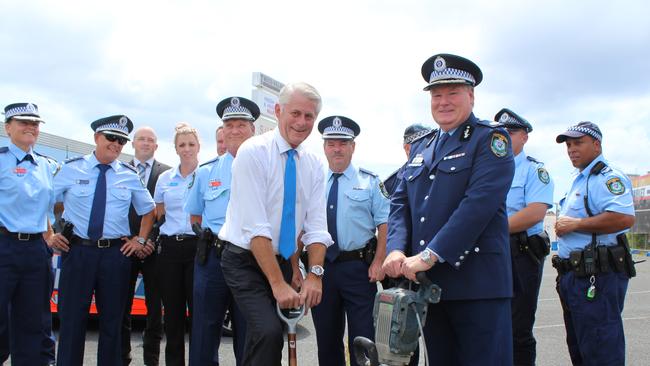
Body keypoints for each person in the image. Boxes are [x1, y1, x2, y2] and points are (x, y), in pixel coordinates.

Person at [382, 53, 515, 366]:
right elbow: (400, 202)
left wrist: (429, 256)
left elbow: (478, 206)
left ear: (471, 95)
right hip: (429, 287)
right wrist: (395, 249)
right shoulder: (422, 145)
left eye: (453, 93)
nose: (443, 101)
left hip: (477, 285)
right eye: (437, 94)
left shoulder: (490, 139)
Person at [219, 82, 332, 366]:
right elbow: (257, 228)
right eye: (295, 113)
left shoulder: (315, 164)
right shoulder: (253, 152)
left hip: (282, 260)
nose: (301, 122)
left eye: (309, 117)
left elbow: (316, 228)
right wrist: (278, 284)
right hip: (243, 260)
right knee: (268, 332)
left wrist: (314, 274)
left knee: (265, 339)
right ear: (279, 111)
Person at [48, 115, 156, 366]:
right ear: (96, 138)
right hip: (78, 252)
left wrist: (140, 239)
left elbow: (148, 210)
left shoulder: (129, 174)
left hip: (114, 256)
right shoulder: (71, 168)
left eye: (121, 141)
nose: (116, 144)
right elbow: (43, 201)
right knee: (72, 321)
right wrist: (50, 235)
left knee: (112, 322)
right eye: (111, 138)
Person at [553, 121, 635, 365]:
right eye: (568, 145)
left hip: (596, 276)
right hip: (573, 275)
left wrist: (576, 225)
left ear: (596, 145)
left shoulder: (607, 177)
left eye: (578, 143)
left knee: (601, 348)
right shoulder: (581, 179)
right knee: (581, 347)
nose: (571, 149)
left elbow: (624, 217)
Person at [310, 115, 390, 365]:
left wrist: (379, 262)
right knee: (326, 339)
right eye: (331, 143)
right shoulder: (312, 181)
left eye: (343, 143)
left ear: (353, 146)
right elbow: (302, 226)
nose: (337, 148)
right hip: (322, 270)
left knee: (363, 340)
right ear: (324, 147)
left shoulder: (370, 181)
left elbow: (385, 224)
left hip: (358, 269)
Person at [186, 96, 257, 366]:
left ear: (252, 129)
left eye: (242, 124)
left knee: (250, 334)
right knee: (204, 331)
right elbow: (194, 214)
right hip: (214, 259)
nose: (235, 130)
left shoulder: (269, 168)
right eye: (229, 125)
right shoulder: (206, 173)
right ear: (222, 131)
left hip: (252, 259)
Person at [495, 108, 554, 366]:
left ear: (524, 138)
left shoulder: (533, 170)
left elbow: (534, 213)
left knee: (518, 329)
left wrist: (489, 230)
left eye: (512, 132)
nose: (505, 137)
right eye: (501, 132)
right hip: (490, 252)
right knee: (490, 325)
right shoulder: (487, 168)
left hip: (518, 252)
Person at [0, 103, 55, 366]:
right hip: (3, 246)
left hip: (35, 250)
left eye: (35, 124)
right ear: (7, 127)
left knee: (34, 322)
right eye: (23, 122)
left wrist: (50, 237)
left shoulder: (45, 165)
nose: (30, 127)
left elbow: (47, 209)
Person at [154, 123, 201, 366]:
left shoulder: (206, 175)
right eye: (182, 145)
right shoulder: (164, 179)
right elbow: (159, 214)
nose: (187, 149)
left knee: (199, 315)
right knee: (172, 316)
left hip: (197, 249)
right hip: (170, 250)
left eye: (191, 144)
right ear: (175, 148)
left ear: (199, 146)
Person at [122, 126, 169, 366]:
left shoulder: (167, 174)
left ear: (156, 146)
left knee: (154, 311)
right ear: (133, 143)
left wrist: (150, 240)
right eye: (141, 139)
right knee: (122, 307)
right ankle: (123, 357)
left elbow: (167, 215)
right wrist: (131, 240)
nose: (146, 143)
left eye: (151, 140)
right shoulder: (118, 170)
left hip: (154, 250)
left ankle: (151, 360)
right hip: (124, 247)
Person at [383, 123, 433, 197]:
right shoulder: (391, 183)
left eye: (432, 143)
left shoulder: (437, 171)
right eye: (424, 144)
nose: (430, 148)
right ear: (407, 148)